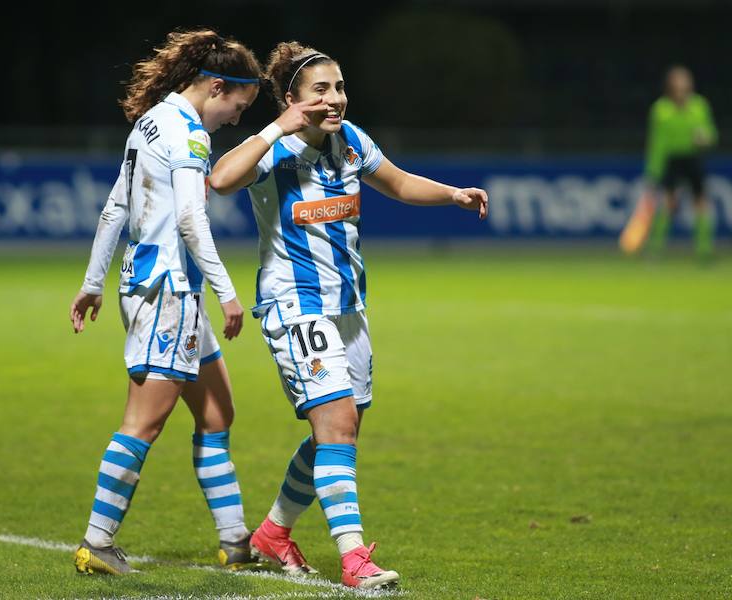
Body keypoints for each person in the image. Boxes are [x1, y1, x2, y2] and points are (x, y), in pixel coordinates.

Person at [209, 41, 488, 589]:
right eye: (321, 89)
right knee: (336, 422)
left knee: (339, 428)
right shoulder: (273, 150)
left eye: (339, 87)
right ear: (291, 99)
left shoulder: (351, 139)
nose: (335, 98)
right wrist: (276, 127)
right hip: (296, 305)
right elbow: (220, 178)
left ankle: (272, 533)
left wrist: (452, 194)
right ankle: (354, 557)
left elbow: (400, 182)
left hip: (349, 309)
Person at [68, 29, 261, 575]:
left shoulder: (151, 120)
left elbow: (115, 206)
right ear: (217, 87)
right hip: (170, 295)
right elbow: (189, 219)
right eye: (238, 107)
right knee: (143, 423)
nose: (237, 119)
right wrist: (228, 292)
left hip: (158, 290)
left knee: (218, 413)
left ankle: (234, 540)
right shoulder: (190, 135)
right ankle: (97, 542)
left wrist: (93, 281)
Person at [645, 65, 718, 259]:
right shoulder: (661, 109)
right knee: (668, 203)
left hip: (693, 157)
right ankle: (655, 249)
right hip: (672, 160)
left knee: (701, 203)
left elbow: (711, 133)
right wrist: (653, 170)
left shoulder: (700, 105)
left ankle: (704, 250)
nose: (682, 83)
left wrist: (706, 139)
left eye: (685, 79)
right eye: (678, 79)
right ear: (670, 83)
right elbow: (656, 142)